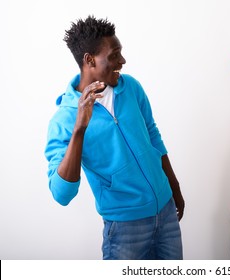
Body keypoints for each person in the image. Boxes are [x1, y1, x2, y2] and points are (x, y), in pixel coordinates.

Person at [44, 15, 184, 260]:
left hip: (165, 210)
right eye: (114, 55)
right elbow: (61, 194)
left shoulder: (131, 87)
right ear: (89, 60)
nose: (123, 61)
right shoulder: (64, 120)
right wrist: (79, 129)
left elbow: (153, 136)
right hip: (124, 228)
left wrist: (174, 187)